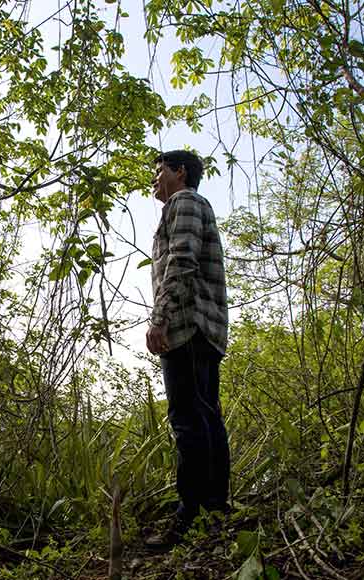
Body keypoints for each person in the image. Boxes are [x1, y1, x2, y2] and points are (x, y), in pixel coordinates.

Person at [145, 149, 230, 549]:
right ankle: (214, 510)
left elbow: (181, 260)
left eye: (159, 170)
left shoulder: (184, 202)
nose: (154, 179)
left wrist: (160, 317)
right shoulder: (187, 205)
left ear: (180, 172)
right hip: (199, 328)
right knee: (205, 415)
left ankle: (191, 513)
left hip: (188, 327)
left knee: (188, 419)